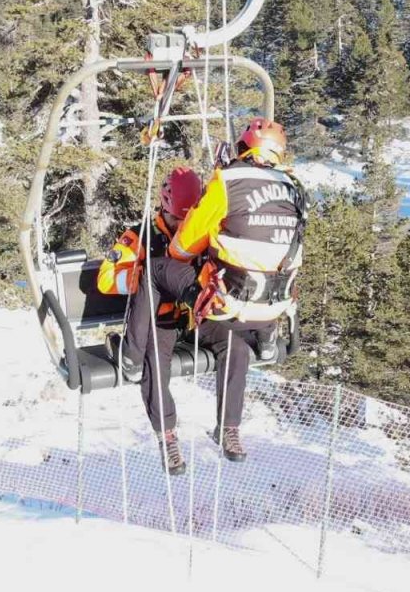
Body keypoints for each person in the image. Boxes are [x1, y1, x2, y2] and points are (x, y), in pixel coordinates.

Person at [121, 118, 307, 470]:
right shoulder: (293, 189)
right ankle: (170, 435)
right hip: (251, 306)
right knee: (157, 353)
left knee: (231, 342)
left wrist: (196, 244)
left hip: (214, 304)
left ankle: (228, 425)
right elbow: (108, 278)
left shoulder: (229, 183)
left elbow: (184, 247)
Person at [97, 167, 203, 475]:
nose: (181, 226)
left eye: (186, 221)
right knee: (154, 365)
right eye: (175, 220)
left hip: (185, 319)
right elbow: (106, 279)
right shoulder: (140, 235)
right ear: (164, 210)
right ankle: (167, 436)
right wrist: (143, 277)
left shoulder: (200, 233)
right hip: (155, 321)